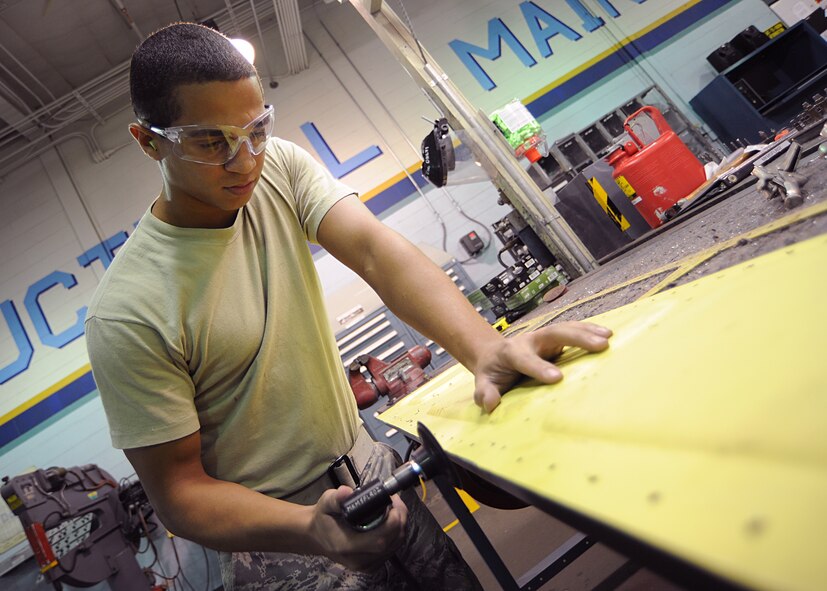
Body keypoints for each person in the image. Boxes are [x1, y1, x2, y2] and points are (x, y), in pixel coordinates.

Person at [84, 23, 612, 590]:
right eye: (211, 142)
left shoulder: (279, 167)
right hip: (282, 541)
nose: (245, 161)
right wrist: (308, 527)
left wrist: (484, 348)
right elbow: (180, 494)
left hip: (372, 476)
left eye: (257, 128)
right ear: (148, 142)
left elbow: (374, 251)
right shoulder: (127, 313)